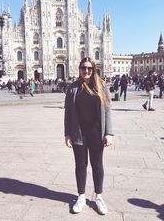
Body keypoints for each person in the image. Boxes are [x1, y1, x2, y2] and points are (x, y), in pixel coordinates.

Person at [64, 57, 113, 215]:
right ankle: (81, 196)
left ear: (93, 70)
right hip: (78, 133)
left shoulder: (101, 85)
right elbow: (68, 113)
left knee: (97, 165)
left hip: (96, 133)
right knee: (80, 165)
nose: (86, 71)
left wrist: (109, 133)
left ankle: (99, 197)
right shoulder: (73, 88)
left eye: (89, 68)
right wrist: (67, 134)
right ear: (79, 69)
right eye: (83, 68)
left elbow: (107, 110)